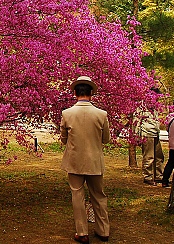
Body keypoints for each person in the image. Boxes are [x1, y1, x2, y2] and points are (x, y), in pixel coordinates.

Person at [60, 76, 110, 243]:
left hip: (74, 161)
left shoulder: (67, 114)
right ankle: (103, 231)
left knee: (77, 195)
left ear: (75, 93)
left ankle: (82, 232)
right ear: (91, 94)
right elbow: (105, 139)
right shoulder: (101, 114)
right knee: (99, 196)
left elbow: (63, 139)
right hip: (95, 161)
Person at [136, 89, 164, 185]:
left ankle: (159, 176)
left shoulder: (155, 108)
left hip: (155, 133)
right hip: (146, 134)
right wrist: (137, 136)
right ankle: (148, 176)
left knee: (159, 156)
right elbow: (136, 122)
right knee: (149, 157)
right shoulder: (141, 107)